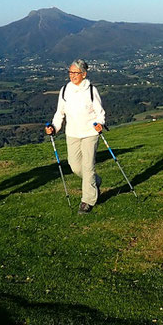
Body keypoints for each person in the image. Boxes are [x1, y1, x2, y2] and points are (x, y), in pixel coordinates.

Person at [45, 59, 105, 214]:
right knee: (75, 166)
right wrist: (54, 127)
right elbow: (60, 113)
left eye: (75, 73)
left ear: (83, 74)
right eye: (70, 72)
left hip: (90, 133)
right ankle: (95, 182)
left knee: (88, 166)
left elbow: (100, 112)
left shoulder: (91, 90)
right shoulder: (65, 90)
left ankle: (88, 201)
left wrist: (100, 123)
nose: (72, 75)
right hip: (72, 134)